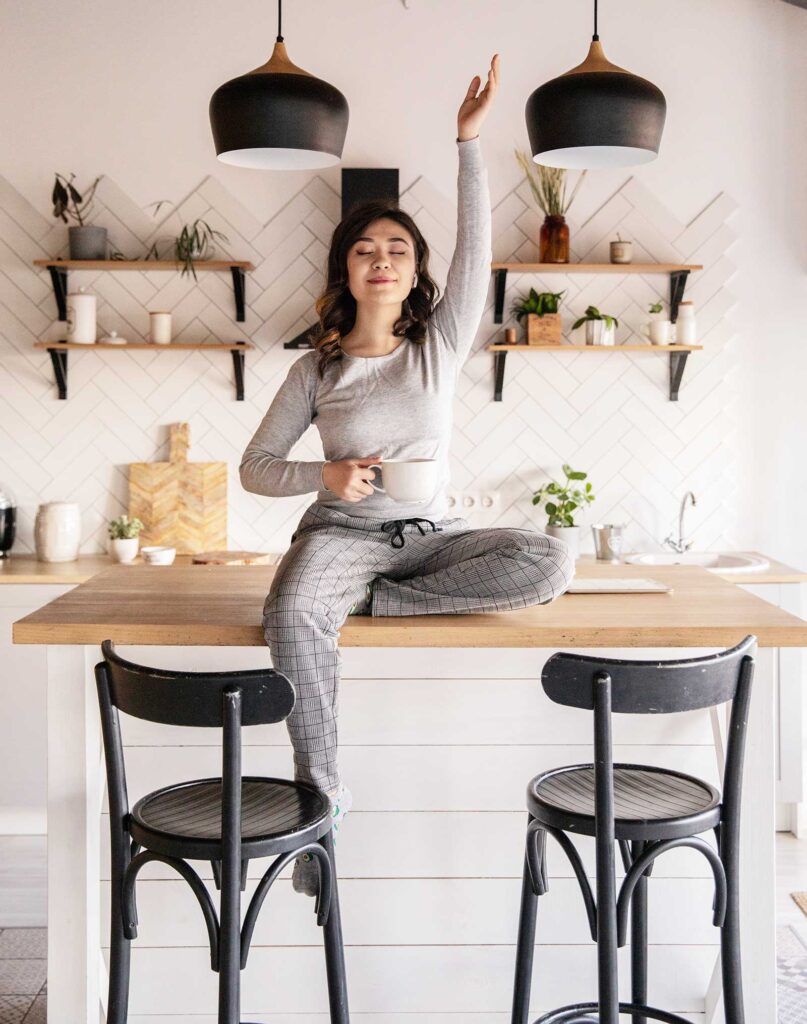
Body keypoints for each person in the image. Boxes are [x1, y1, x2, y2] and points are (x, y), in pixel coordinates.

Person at [240, 53, 574, 895]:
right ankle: (322, 803)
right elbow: (254, 469)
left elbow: (476, 253)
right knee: (291, 608)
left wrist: (468, 142)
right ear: (345, 271)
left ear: (412, 270)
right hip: (341, 534)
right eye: (364, 249)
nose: (380, 259)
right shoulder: (314, 372)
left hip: (429, 540)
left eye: (395, 249)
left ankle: (373, 601)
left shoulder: (436, 349)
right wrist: (327, 476)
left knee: (549, 559)